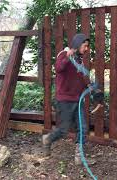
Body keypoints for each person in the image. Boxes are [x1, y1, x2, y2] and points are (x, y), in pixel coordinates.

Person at [42, 33, 90, 165]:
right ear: (77, 44)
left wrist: (90, 88)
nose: (86, 49)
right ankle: (48, 139)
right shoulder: (63, 55)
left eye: (87, 46)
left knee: (83, 128)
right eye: (84, 46)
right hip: (65, 100)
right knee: (63, 129)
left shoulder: (80, 60)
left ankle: (79, 157)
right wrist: (69, 55)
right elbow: (58, 68)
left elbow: (80, 78)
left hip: (77, 99)